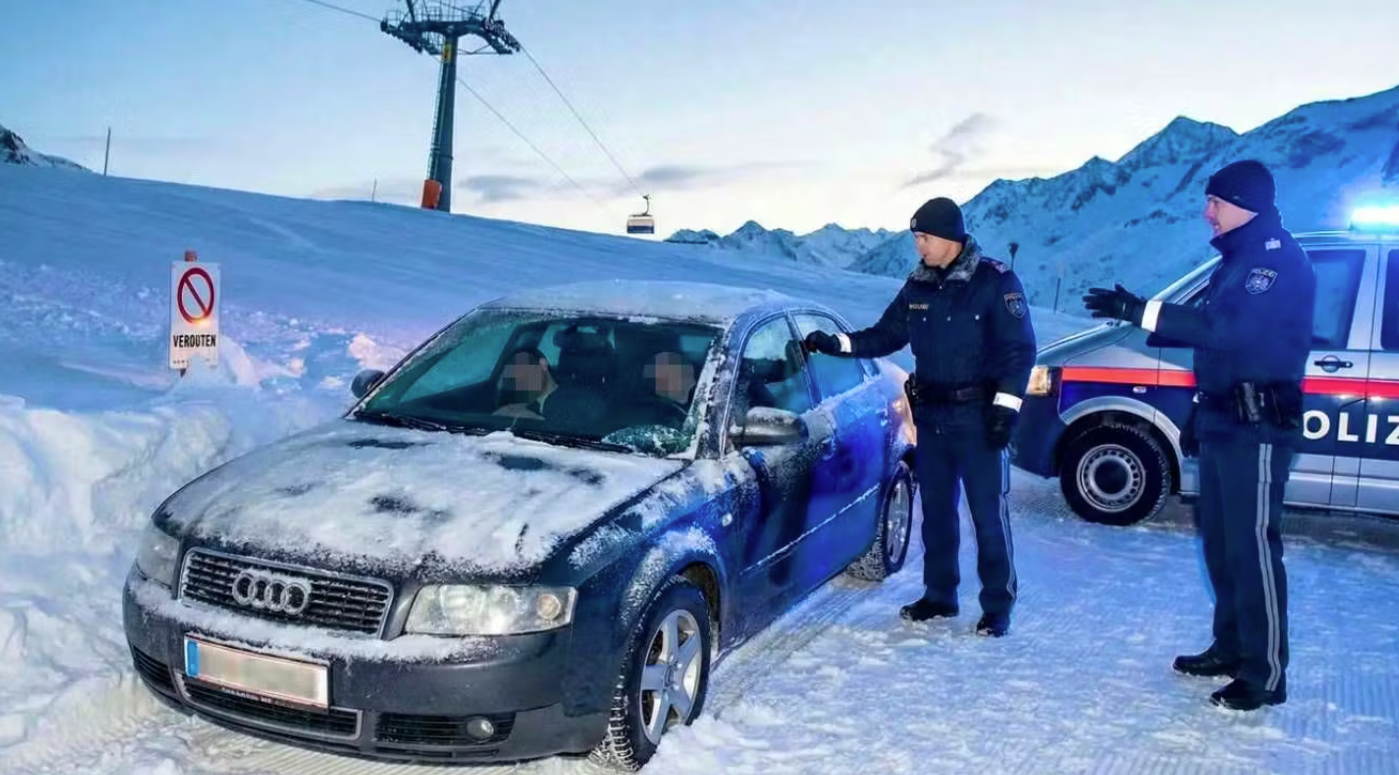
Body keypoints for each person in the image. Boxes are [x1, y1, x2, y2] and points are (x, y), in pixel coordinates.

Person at [1082, 159, 1314, 711]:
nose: (1206, 211)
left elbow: (1227, 329)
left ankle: (1265, 673)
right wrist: (1199, 411)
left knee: (1253, 547)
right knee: (1222, 543)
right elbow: (1218, 350)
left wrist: (1141, 311)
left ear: (1245, 204)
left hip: (1257, 426)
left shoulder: (1272, 264)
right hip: (1224, 418)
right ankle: (1232, 647)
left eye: (1216, 201)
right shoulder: (1235, 262)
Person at [803, 196, 1036, 637]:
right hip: (931, 419)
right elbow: (886, 334)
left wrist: (1005, 411)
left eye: (924, 238)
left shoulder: (994, 281)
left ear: (949, 237)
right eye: (916, 238)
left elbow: (1019, 351)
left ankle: (997, 605)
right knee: (937, 513)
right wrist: (839, 344)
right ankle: (940, 595)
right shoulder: (918, 285)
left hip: (979, 419)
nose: (919, 247)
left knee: (987, 515)